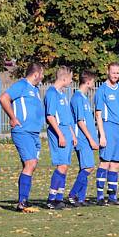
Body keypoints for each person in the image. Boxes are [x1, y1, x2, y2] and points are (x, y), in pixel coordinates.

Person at [0, 62, 45, 213]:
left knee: (30, 165)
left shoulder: (35, 89)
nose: (43, 76)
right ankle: (22, 201)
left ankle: (23, 199)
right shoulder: (22, 85)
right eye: (42, 73)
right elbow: (4, 98)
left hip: (33, 133)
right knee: (30, 163)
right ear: (36, 74)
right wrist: (13, 117)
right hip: (23, 131)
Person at [94, 62, 119, 206]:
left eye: (117, 73)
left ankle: (112, 197)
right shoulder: (102, 90)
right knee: (105, 162)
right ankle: (99, 197)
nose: (115, 75)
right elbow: (98, 114)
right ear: (107, 72)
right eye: (113, 72)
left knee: (116, 164)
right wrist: (102, 135)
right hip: (108, 128)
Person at [44, 66, 77, 210]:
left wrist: (72, 134)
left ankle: (59, 198)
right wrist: (60, 134)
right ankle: (51, 199)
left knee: (65, 165)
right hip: (59, 132)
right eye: (70, 78)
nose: (71, 81)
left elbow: (67, 118)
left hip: (66, 131)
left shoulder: (62, 94)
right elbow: (50, 116)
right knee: (61, 165)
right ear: (64, 78)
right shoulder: (51, 93)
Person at [68, 70, 99, 206]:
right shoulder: (78, 98)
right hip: (83, 139)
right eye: (93, 81)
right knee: (89, 167)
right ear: (88, 81)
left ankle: (81, 198)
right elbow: (80, 121)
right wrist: (91, 139)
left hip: (87, 138)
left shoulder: (84, 98)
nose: (93, 83)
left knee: (85, 167)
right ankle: (72, 194)